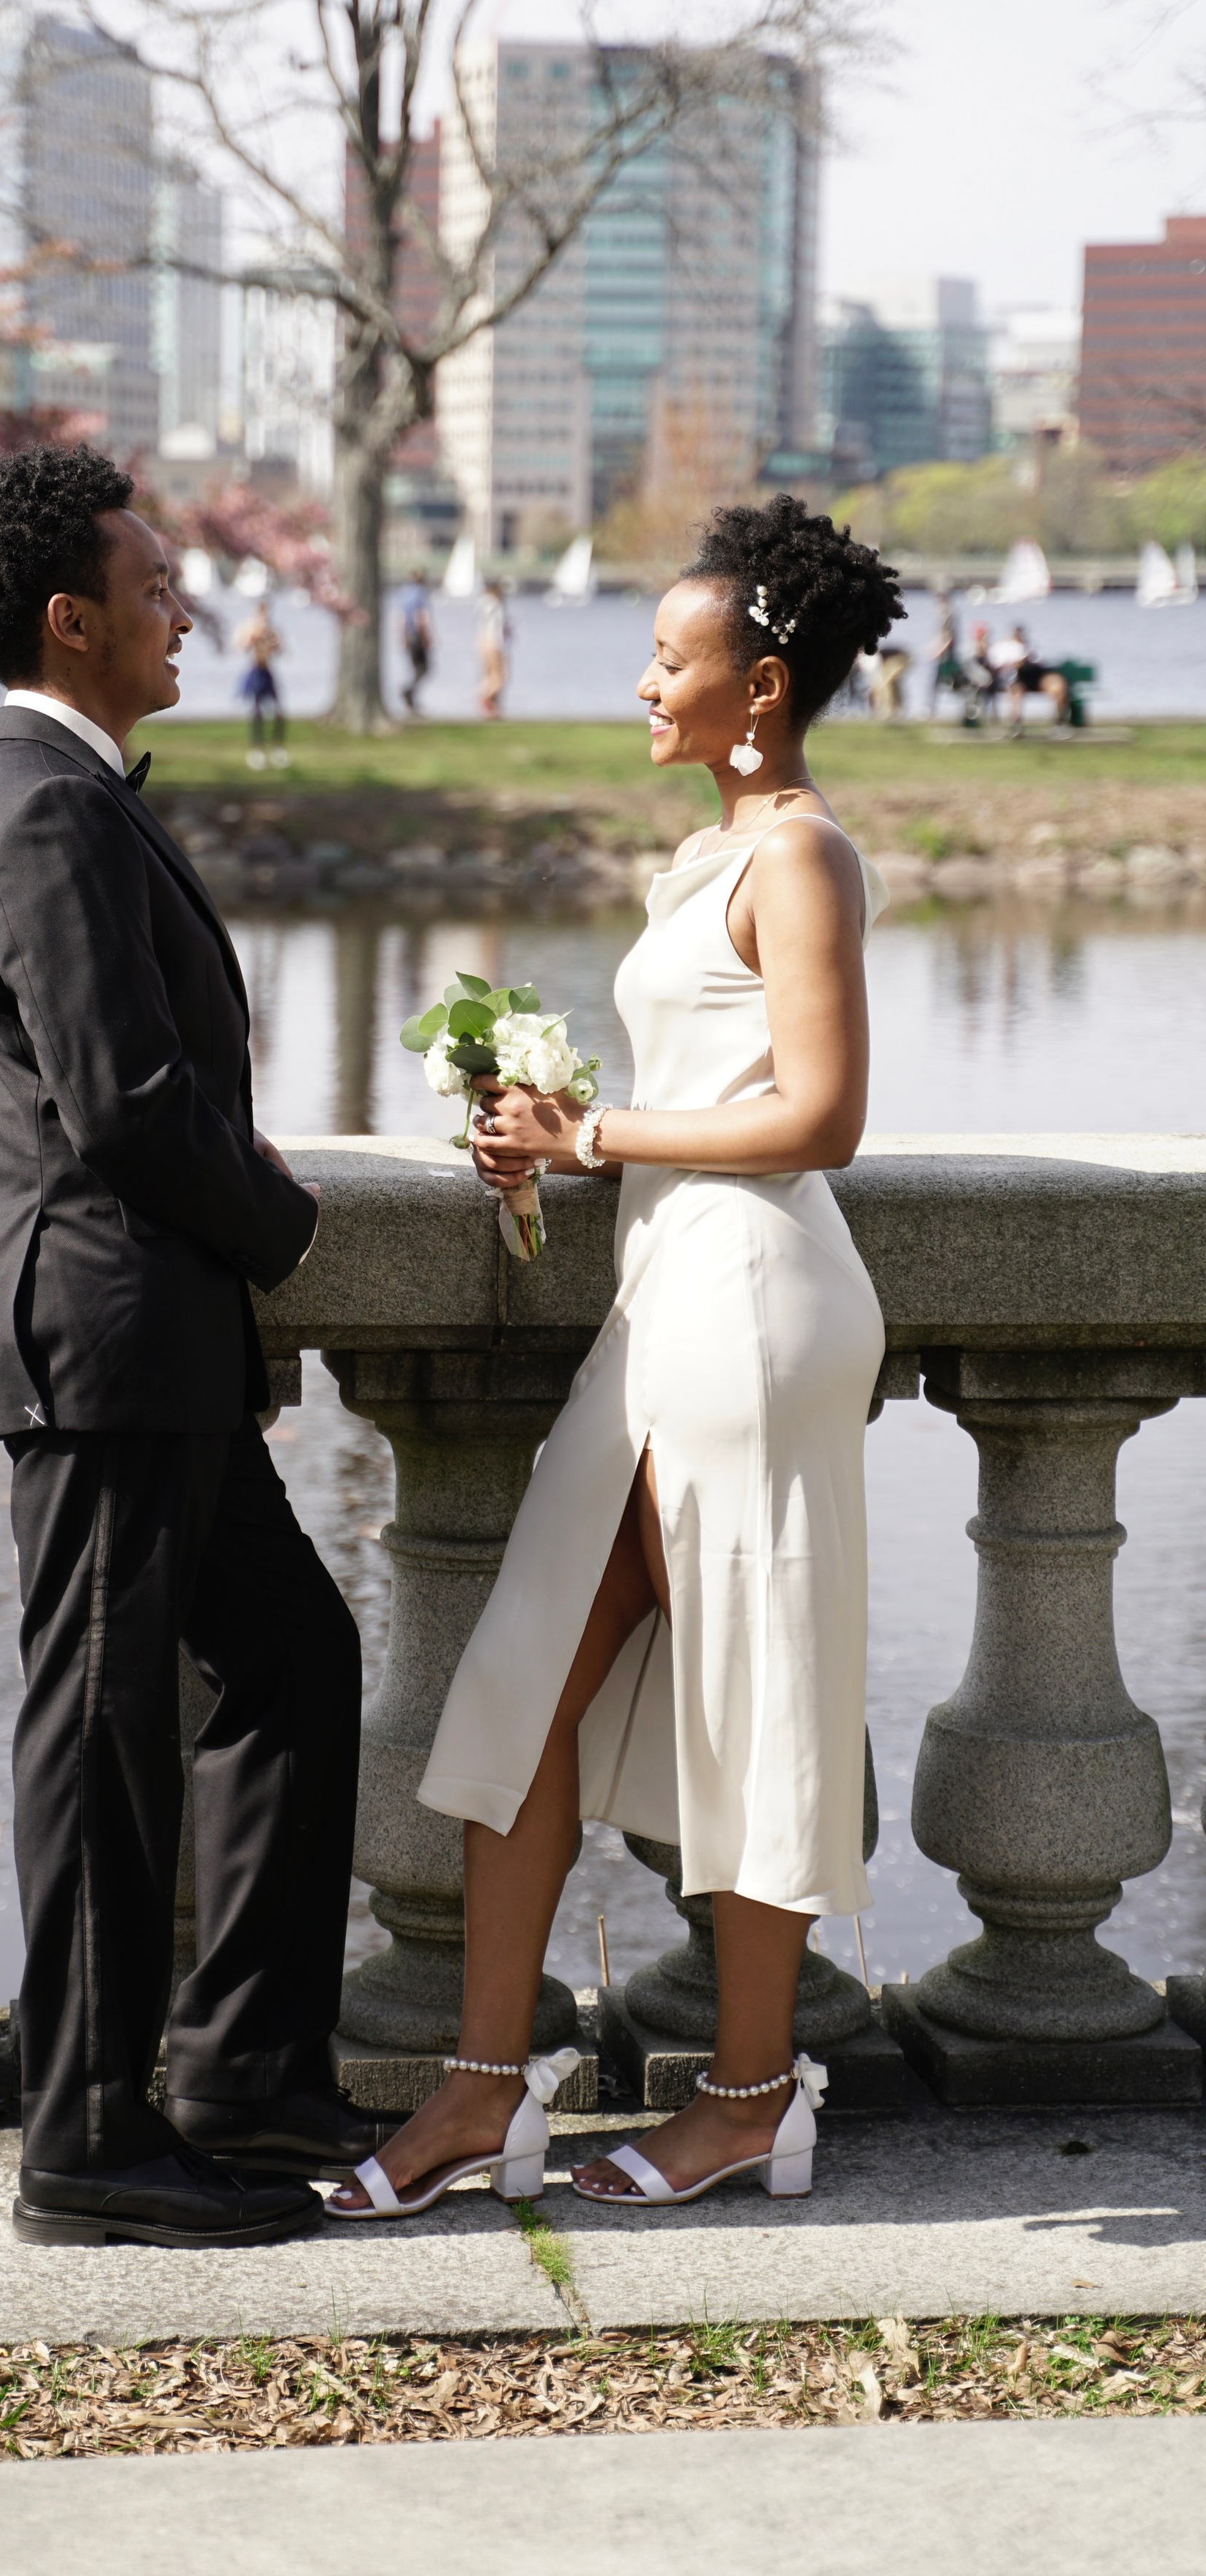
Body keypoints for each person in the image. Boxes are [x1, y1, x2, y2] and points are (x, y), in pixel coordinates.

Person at [328, 493, 904, 2223]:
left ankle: (743, 2096)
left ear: (764, 683)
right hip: (666, 1308)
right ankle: (481, 2095)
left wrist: (599, 1137)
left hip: (749, 1314)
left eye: (672, 658)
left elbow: (823, 1116)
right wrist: (556, 1142)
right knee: (517, 1687)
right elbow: (702, 1107)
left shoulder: (795, 852)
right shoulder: (702, 857)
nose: (643, 681)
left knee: (744, 1702)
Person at [0, 444, 374, 2251]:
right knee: (98, 1736)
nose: (189, 608)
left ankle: (242, 2079)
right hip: (96, 1340)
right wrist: (285, 1223)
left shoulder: (44, 795)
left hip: (138, 1340)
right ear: (71, 618)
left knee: (288, 1657)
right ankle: (85, 2143)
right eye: (161, 584)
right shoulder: (36, 807)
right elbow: (118, 1102)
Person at [235, 598, 288, 768]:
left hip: (268, 673)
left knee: (279, 713)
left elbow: (280, 651)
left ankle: (277, 749)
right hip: (255, 672)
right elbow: (242, 647)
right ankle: (256, 751)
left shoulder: (272, 630)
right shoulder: (250, 628)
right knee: (256, 713)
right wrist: (254, 636)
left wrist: (273, 641)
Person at [399, 570, 434, 715]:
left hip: (408, 634)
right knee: (424, 669)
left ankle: (411, 697)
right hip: (417, 635)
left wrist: (402, 637)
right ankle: (409, 691)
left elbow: (400, 617)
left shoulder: (404, 593)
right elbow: (420, 617)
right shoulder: (420, 594)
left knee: (416, 668)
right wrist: (426, 636)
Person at [476, 577, 511, 720]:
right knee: (500, 677)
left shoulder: (482, 603)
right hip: (494, 642)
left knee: (489, 674)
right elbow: (499, 627)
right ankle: (486, 698)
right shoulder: (496, 605)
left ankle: (490, 706)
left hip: (482, 641)